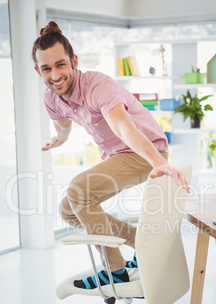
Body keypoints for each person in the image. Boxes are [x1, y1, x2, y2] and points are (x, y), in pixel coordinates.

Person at [32, 21, 190, 290]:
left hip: (145, 150)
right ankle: (140, 242)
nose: (55, 75)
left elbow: (122, 125)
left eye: (60, 65)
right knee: (68, 210)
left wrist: (157, 161)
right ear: (38, 70)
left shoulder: (97, 86)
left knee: (78, 190)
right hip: (118, 154)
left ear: (74, 61)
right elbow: (64, 124)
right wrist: (59, 140)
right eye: (46, 68)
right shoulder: (52, 98)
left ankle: (115, 271)